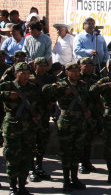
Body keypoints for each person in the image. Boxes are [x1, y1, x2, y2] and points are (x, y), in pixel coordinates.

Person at [43, 61, 90, 192]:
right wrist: (63, 90)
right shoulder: (61, 84)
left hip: (80, 121)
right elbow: (45, 90)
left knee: (77, 151)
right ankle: (66, 180)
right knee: (66, 152)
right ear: (67, 72)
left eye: (77, 71)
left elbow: (87, 100)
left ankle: (74, 178)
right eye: (73, 71)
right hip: (66, 121)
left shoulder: (83, 85)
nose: (76, 73)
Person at [0, 62, 43, 195]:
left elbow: (39, 104)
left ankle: (22, 186)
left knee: (26, 157)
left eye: (27, 73)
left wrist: (37, 116)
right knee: (12, 158)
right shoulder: (7, 86)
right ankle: (13, 187)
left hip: (28, 127)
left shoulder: (32, 87)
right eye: (22, 73)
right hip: (12, 127)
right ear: (15, 74)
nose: (25, 76)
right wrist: (7, 94)